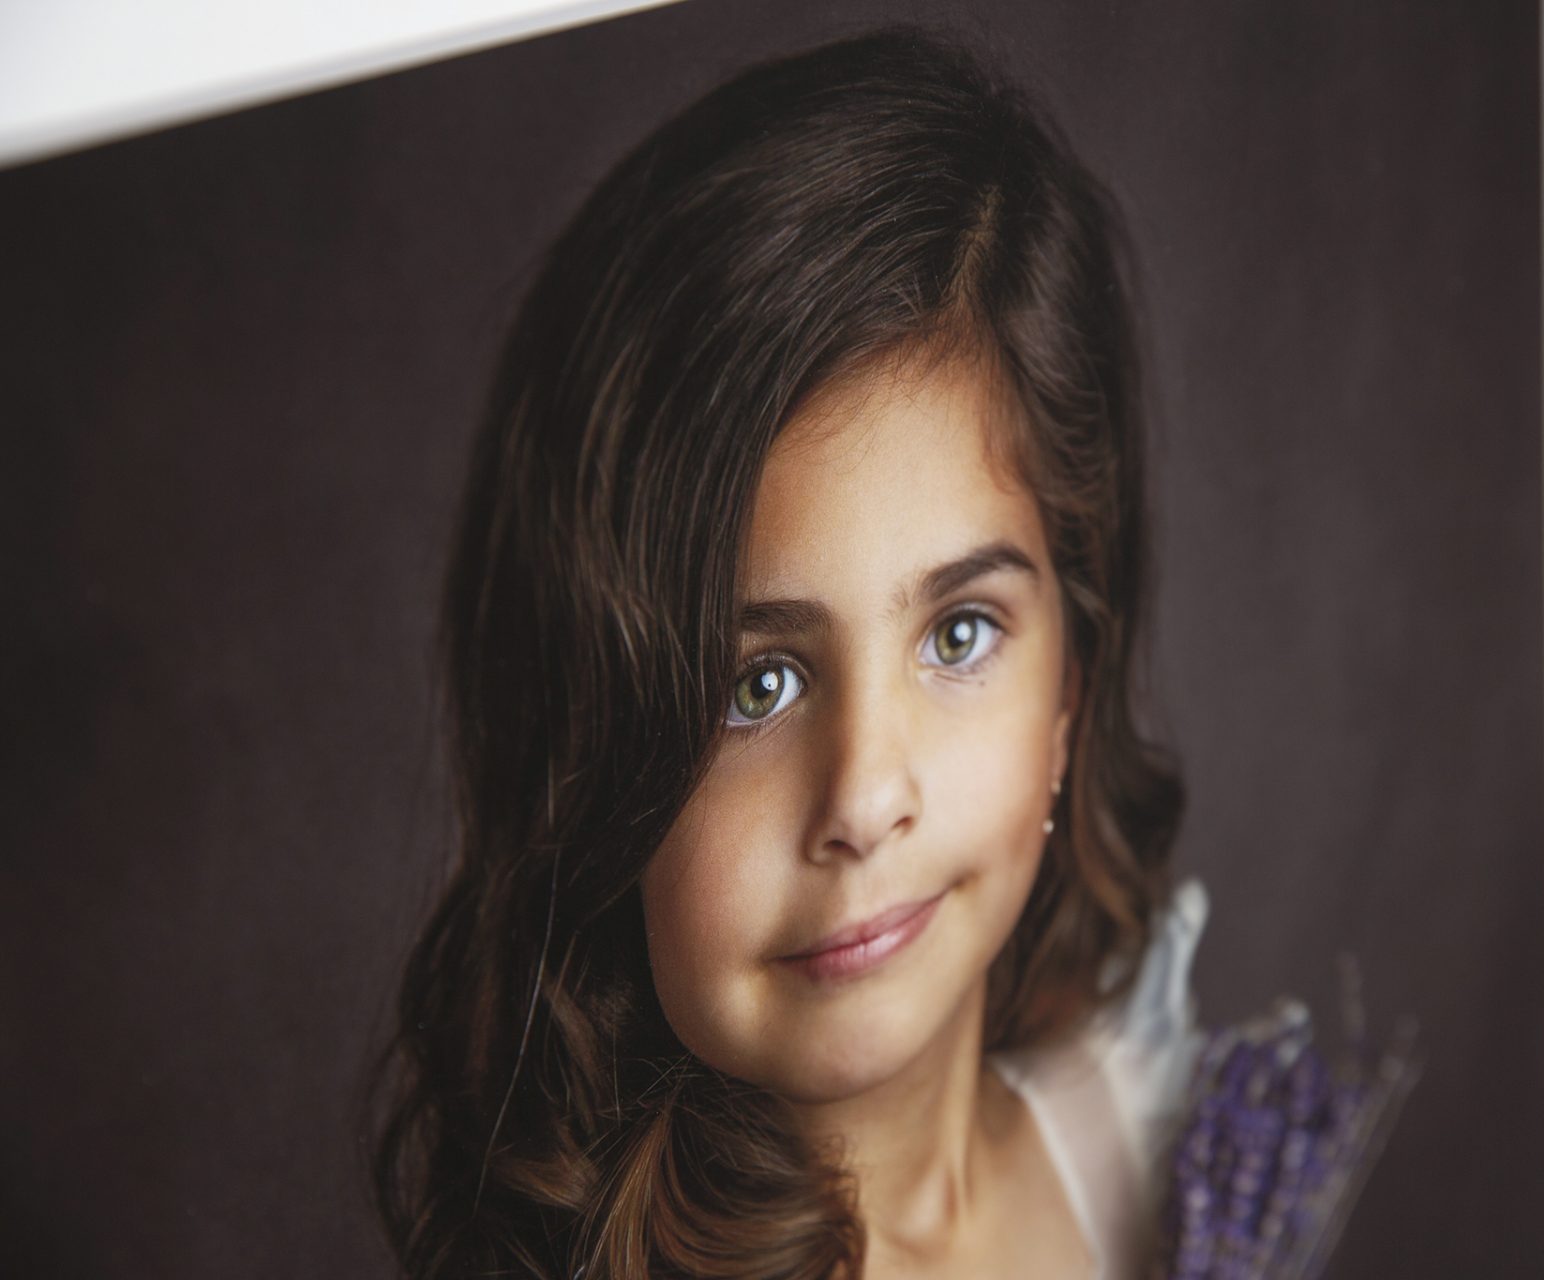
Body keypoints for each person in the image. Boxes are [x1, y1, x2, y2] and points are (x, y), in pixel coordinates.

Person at [370, 27, 1400, 1280]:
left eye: (959, 634)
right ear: (582, 750)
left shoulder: (1166, 1163)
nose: (864, 796)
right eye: (756, 683)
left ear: (1071, 687)